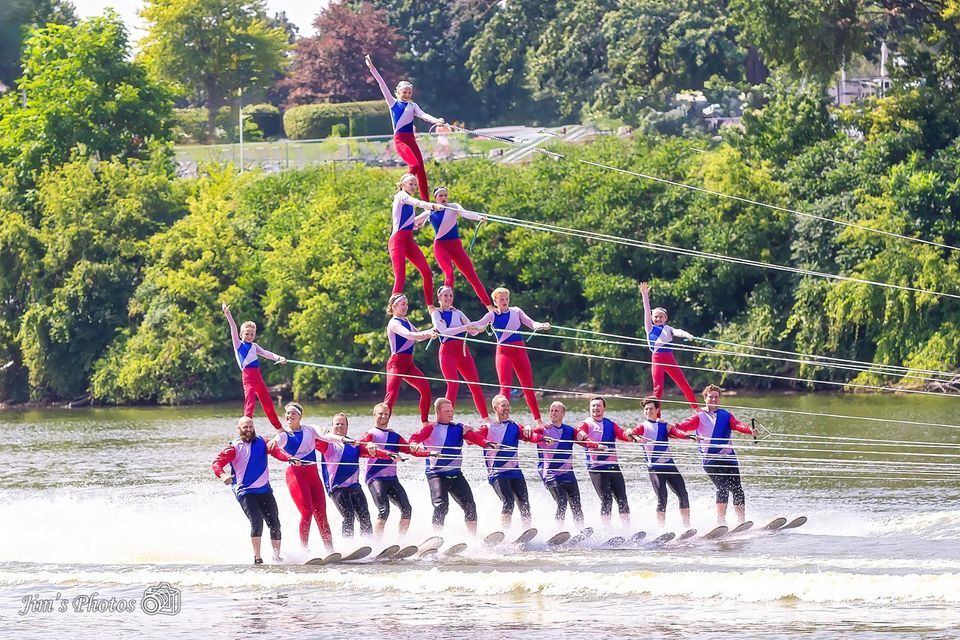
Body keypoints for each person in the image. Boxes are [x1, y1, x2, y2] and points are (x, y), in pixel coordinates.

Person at [673, 385, 756, 525]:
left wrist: (750, 430)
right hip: (711, 460)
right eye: (710, 397)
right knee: (722, 488)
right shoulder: (699, 416)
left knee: (738, 489)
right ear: (705, 398)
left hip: (729, 458)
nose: (714, 399)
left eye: (716, 397)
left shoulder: (726, 415)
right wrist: (667, 428)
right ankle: (721, 522)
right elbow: (681, 427)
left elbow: (737, 425)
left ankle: (742, 522)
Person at [409, 398, 493, 534]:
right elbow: (414, 438)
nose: (450, 413)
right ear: (438, 412)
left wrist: (485, 443)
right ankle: (437, 536)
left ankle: (473, 538)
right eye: (446, 411)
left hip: (456, 474)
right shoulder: (430, 428)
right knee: (441, 506)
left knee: (470, 506)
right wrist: (413, 443)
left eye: (451, 410)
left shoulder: (459, 428)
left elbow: (474, 437)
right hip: (436, 475)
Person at [366, 54, 444, 200]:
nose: (407, 95)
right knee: (414, 165)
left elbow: (423, 115)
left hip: (411, 140)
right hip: (400, 140)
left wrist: (436, 121)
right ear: (398, 93)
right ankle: (402, 188)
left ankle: (426, 202)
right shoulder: (393, 103)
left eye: (409, 93)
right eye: (404, 92)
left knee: (421, 169)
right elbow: (382, 84)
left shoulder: (413, 106)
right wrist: (372, 69)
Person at [212, 416, 288, 564]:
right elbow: (217, 463)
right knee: (257, 522)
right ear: (239, 429)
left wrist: (290, 458)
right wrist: (222, 475)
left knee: (275, 524)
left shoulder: (263, 442)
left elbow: (278, 452)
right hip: (245, 491)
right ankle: (257, 558)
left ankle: (277, 558)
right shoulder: (234, 447)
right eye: (245, 427)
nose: (248, 430)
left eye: (251, 427)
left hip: (264, 490)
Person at [473, 287, 550, 426]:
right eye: (501, 299)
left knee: (528, 387)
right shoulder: (492, 315)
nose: (505, 301)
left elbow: (531, 323)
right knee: (505, 387)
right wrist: (474, 327)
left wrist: (541, 325)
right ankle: (501, 421)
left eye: (506, 299)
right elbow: (478, 324)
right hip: (503, 352)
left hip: (519, 350)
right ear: (495, 301)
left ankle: (539, 422)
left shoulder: (516, 311)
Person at [267, 402, 334, 551]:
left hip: (313, 474)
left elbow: (323, 433)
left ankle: (330, 549)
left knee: (321, 513)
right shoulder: (284, 435)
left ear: (300, 416)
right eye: (287, 413)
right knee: (307, 512)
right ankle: (304, 549)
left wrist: (328, 433)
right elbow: (277, 442)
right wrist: (273, 441)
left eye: (293, 413)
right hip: (296, 475)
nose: (289, 416)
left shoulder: (310, 429)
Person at [357, 403, 430, 538]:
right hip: (375, 478)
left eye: (386, 414)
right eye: (380, 413)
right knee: (384, 510)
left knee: (407, 509)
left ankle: (400, 540)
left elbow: (410, 450)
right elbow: (360, 448)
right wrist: (368, 445)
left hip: (391, 478)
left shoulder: (395, 436)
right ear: (374, 415)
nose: (384, 416)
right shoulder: (370, 434)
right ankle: (376, 542)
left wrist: (428, 453)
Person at [316, 412, 393, 539]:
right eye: (337, 424)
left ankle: (369, 543)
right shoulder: (327, 443)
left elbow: (372, 452)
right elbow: (312, 439)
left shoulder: (354, 444)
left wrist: (389, 454)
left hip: (354, 486)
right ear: (332, 427)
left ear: (347, 427)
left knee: (365, 516)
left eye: (342, 424)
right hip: (337, 487)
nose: (339, 426)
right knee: (349, 515)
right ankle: (348, 544)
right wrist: (320, 433)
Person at [473, 394, 541, 530]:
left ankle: (528, 531)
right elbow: (472, 438)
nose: (507, 408)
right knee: (508, 502)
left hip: (515, 472)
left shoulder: (514, 426)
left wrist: (536, 433)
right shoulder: (487, 427)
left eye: (508, 405)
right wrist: (473, 434)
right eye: (503, 405)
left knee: (524, 503)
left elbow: (530, 436)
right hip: (497, 473)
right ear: (495, 408)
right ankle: (505, 532)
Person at [533, 400, 604, 530]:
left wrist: (596, 446)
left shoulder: (569, 430)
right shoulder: (543, 429)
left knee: (576, 505)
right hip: (551, 475)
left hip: (568, 474)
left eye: (556, 410)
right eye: (551, 410)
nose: (553, 413)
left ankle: (581, 530)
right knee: (562, 503)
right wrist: (529, 428)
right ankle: (559, 530)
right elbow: (527, 435)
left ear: (563, 414)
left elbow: (585, 442)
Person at [627, 397, 692, 528]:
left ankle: (687, 526)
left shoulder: (664, 425)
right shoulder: (642, 426)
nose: (648, 411)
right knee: (662, 498)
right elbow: (630, 432)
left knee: (683, 495)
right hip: (655, 468)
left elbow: (676, 432)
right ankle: (661, 529)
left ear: (657, 410)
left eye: (651, 409)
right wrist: (634, 436)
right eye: (646, 409)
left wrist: (688, 436)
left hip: (670, 466)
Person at [222, 303, 287, 430]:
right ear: (241, 334)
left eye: (252, 334)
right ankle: (245, 429)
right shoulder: (238, 345)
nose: (249, 336)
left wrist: (279, 358)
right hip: (248, 378)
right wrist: (228, 314)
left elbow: (266, 353)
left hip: (258, 377)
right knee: (250, 402)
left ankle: (280, 429)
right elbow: (233, 327)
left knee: (267, 403)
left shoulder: (254, 346)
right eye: (247, 334)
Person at [427, 187, 493, 310]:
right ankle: (446, 305)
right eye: (440, 196)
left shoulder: (454, 207)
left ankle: (489, 306)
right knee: (449, 273)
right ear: (435, 198)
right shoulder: (430, 210)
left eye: (445, 195)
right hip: (441, 247)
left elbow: (466, 213)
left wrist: (479, 217)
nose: (443, 198)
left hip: (456, 246)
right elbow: (415, 221)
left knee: (472, 276)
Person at [431, 286, 490, 422]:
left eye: (451, 296)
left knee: (475, 384)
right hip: (447, 352)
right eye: (445, 295)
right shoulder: (436, 314)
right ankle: (445, 420)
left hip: (462, 351)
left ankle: (486, 419)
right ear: (439, 297)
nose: (448, 298)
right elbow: (444, 331)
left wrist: (480, 327)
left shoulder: (458, 313)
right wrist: (465, 327)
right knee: (453, 385)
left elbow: (473, 331)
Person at [639, 281, 699, 411]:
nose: (658, 319)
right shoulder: (650, 328)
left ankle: (696, 408)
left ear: (666, 318)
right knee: (658, 389)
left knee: (683, 384)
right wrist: (645, 295)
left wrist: (688, 335)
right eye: (656, 317)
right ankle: (656, 415)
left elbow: (678, 332)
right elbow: (646, 310)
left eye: (661, 317)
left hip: (669, 358)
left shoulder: (669, 329)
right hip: (657, 359)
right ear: (652, 318)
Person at [577, 396, 634, 527]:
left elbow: (622, 434)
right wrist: (596, 445)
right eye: (593, 406)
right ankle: (607, 529)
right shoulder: (585, 424)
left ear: (604, 408)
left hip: (613, 467)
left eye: (598, 405)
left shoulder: (610, 424)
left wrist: (630, 434)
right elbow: (580, 437)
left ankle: (627, 529)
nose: (595, 408)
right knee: (606, 499)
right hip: (596, 469)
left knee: (622, 499)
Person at [390, 173, 444, 309]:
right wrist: (432, 206)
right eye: (411, 184)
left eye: (415, 185)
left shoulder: (407, 200)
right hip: (397, 241)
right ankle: (393, 308)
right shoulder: (401, 196)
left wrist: (423, 217)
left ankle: (430, 306)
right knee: (400, 275)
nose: (414, 187)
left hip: (408, 240)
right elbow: (418, 203)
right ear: (403, 184)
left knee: (426, 272)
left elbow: (410, 223)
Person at [384, 293, 438, 426]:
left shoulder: (406, 321)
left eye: (406, 304)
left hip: (408, 364)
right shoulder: (394, 323)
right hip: (396, 364)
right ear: (394, 306)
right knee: (391, 396)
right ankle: (381, 426)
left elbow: (418, 336)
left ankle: (425, 422)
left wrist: (435, 329)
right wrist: (427, 334)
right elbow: (409, 335)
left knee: (425, 389)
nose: (406, 307)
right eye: (403, 304)